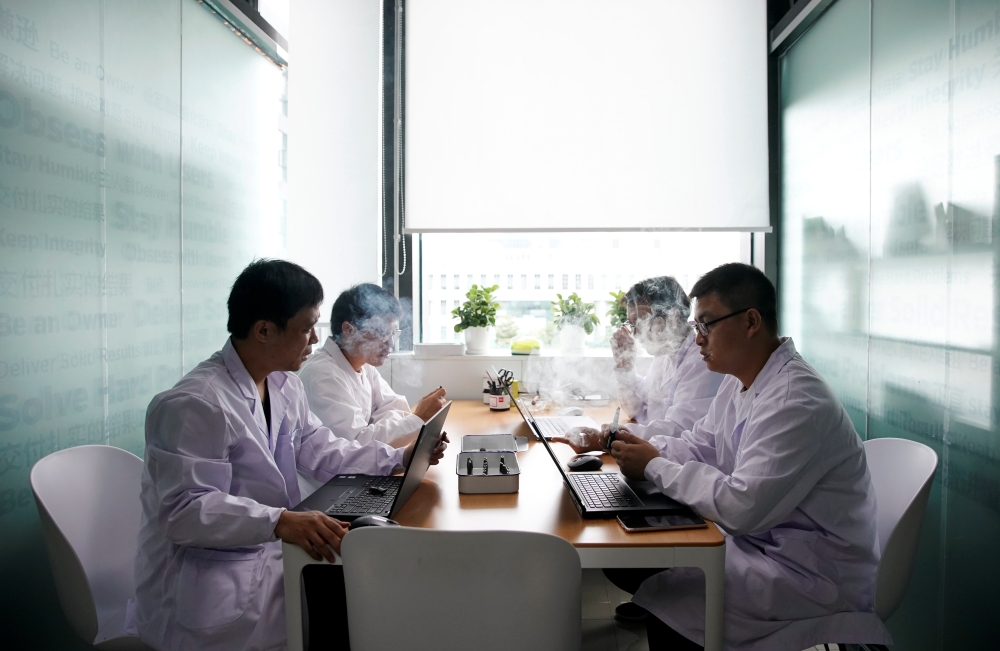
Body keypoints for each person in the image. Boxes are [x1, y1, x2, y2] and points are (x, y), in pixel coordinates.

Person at [132, 260, 448, 651]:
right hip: (205, 587)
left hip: (265, 551)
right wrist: (279, 521)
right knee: (351, 600)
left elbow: (321, 450)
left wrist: (396, 461)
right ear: (264, 330)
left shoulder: (283, 385)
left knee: (369, 582)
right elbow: (184, 512)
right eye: (306, 327)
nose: (316, 339)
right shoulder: (195, 404)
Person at [606, 263, 891, 651]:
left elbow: (741, 506)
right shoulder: (743, 381)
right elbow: (700, 443)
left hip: (808, 573)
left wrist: (654, 466)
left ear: (751, 321)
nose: (698, 338)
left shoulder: (794, 399)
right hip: (767, 545)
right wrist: (644, 453)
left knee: (669, 595)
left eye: (706, 324)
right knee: (658, 580)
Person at [552, 276, 723, 450]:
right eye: (631, 324)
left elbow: (677, 431)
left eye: (639, 322)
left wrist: (609, 438)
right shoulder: (665, 355)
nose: (635, 333)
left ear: (672, 316)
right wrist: (624, 365)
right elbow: (636, 408)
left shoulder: (702, 363)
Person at [300, 283, 447, 445]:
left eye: (393, 333)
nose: (390, 343)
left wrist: (407, 428)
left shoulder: (363, 364)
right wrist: (418, 419)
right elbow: (357, 445)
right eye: (382, 332)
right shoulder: (321, 375)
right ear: (349, 330)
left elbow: (395, 408)